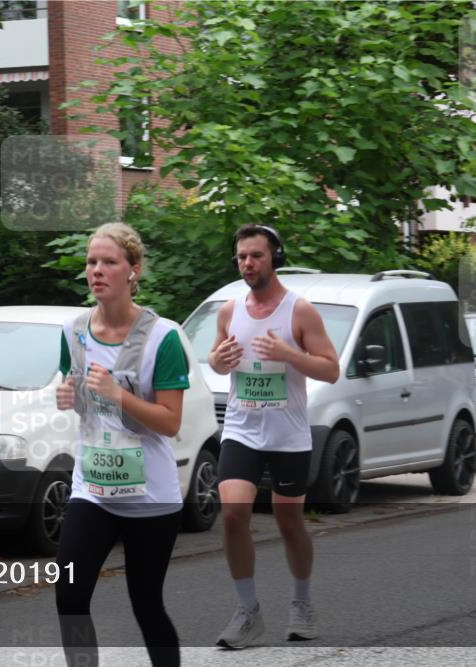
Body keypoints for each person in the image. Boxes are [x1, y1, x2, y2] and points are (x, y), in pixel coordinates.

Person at [54, 222, 190, 667]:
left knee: (146, 603)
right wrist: (68, 397)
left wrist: (119, 393)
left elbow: (170, 422)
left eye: (109, 262)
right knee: (70, 596)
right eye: (92, 262)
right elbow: (80, 402)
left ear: (134, 270)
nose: (97, 270)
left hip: (149, 495)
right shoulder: (74, 332)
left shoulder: (162, 337)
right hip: (92, 487)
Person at [207, 224, 340, 649]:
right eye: (242, 257)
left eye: (256, 256)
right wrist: (218, 359)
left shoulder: (299, 311)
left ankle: (301, 602)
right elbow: (216, 360)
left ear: (274, 258)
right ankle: (248, 612)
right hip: (242, 429)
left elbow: (331, 369)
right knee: (232, 514)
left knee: (289, 521)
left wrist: (289, 355)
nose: (247, 263)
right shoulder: (229, 311)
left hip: (288, 434)